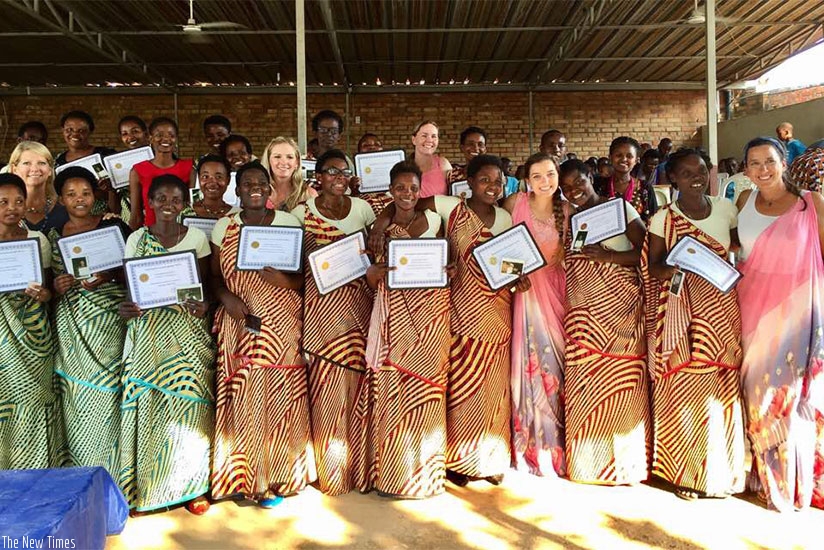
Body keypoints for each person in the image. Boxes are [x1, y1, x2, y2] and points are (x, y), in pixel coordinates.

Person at [371, 154, 527, 487]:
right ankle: (459, 459)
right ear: (468, 182)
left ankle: (492, 458)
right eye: (484, 180)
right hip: (458, 310)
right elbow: (405, 200)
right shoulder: (448, 206)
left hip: (497, 311)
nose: (492, 186)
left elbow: (511, 260)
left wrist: (519, 277)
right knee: (462, 387)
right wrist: (381, 224)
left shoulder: (506, 217)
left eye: (498, 181)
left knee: (493, 388)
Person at [210, 162, 315, 506]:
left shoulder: (289, 223)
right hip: (240, 322)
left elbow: (304, 277)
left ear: (270, 191)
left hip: (282, 324)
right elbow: (213, 278)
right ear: (237, 190)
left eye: (261, 183)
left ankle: (283, 474)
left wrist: (285, 281)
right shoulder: (223, 227)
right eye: (247, 183)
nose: (254, 188)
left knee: (283, 397)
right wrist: (228, 299)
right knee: (245, 396)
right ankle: (246, 477)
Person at [644, 148, 745, 500]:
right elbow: (653, 266)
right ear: (673, 178)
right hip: (681, 314)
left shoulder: (727, 209)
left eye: (700, 171)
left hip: (720, 311)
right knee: (684, 389)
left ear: (710, 172)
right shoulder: (663, 218)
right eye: (685, 173)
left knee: (721, 388)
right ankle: (684, 474)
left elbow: (738, 249)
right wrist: (677, 267)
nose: (694, 178)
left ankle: (723, 474)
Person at [735, 136, 824, 512]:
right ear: (746, 169)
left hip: (799, 313)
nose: (763, 170)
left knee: (791, 392)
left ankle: (794, 479)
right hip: (751, 308)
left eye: (769, 161)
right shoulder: (742, 203)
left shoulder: (811, 203)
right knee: (756, 390)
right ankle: (760, 473)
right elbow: (735, 251)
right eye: (754, 163)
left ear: (784, 161)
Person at [118, 174, 215, 515]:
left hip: (187, 335)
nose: (169, 205)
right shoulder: (137, 239)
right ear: (150, 202)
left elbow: (205, 286)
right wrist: (127, 307)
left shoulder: (197, 239)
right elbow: (132, 292)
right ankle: (148, 490)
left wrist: (205, 305)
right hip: (149, 337)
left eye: (176, 199)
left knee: (190, 409)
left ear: (185, 202)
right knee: (151, 408)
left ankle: (194, 488)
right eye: (161, 198)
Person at [361, 161, 452, 498]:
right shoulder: (377, 227)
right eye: (400, 188)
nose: (407, 194)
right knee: (391, 388)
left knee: (427, 390)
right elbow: (370, 274)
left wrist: (449, 268)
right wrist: (375, 273)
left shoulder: (434, 220)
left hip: (429, 315)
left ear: (420, 190)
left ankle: (426, 474)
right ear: (390, 190)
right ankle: (393, 476)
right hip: (392, 313)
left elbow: (448, 260)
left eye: (413, 188)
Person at [559, 159, 650, 485]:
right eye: (567, 188)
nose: (574, 191)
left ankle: (625, 465)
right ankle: (589, 464)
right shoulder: (571, 219)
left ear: (591, 178)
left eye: (578, 183)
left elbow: (645, 251)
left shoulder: (619, 209)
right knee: (588, 383)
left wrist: (610, 257)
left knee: (622, 381)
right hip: (584, 317)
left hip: (620, 311)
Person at [291, 149, 376, 496]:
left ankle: (359, 469)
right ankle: (331, 472)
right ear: (318, 178)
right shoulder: (300, 213)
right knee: (326, 389)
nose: (339, 177)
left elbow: (378, 250)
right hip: (321, 312)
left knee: (358, 389)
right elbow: (295, 263)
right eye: (332, 172)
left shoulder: (363, 209)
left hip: (358, 308)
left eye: (345, 172)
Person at [49, 167, 131, 473]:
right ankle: (83, 469)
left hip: (109, 325)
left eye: (85, 192)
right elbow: (49, 284)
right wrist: (58, 286)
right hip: (73, 331)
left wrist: (108, 275)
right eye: (71, 194)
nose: (79, 200)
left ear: (94, 194)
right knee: (78, 397)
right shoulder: (54, 236)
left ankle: (116, 472)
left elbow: (132, 273)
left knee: (112, 394)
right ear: (60, 200)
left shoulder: (114, 227)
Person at [502, 153, 567, 477]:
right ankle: (528, 448)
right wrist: (514, 274)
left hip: (557, 300)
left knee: (555, 371)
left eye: (550, 174)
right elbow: (497, 247)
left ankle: (554, 448)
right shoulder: (515, 203)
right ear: (527, 180)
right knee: (527, 369)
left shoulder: (567, 211)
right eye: (538, 176)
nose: (545, 181)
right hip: (525, 298)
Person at [0, 173, 62, 470]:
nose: (12, 207)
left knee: (35, 398)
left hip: (33, 337)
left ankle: (36, 467)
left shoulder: (37, 240)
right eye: (3, 202)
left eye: (18, 201)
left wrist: (43, 295)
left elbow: (50, 292)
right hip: (2, 339)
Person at [128, 117, 195, 229]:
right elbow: (136, 216)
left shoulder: (189, 169)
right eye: (159, 135)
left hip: (181, 234)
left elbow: (192, 209)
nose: (166, 139)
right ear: (150, 139)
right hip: (151, 236)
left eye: (171, 135)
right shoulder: (138, 171)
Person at [7, 141, 69, 233]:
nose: (35, 169)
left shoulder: (65, 206)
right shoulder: (3, 209)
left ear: (50, 170)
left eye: (41, 163)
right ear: (14, 169)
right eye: (27, 163)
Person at [598, 136, 657, 222]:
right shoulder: (599, 186)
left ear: (636, 160)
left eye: (629, 156)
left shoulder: (645, 188)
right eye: (618, 155)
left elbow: (653, 221)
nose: (624, 159)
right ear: (610, 158)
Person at [260, 137, 317, 211]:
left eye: (289, 157)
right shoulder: (257, 191)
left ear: (297, 163)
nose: (283, 162)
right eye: (277, 156)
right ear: (268, 160)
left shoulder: (309, 194)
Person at [184, 155, 238, 220]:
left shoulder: (238, 215)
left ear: (228, 180)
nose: (212, 182)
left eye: (219, 177)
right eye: (205, 176)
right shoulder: (184, 213)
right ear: (199, 178)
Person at [411, 121, 452, 197]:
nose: (429, 140)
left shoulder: (443, 164)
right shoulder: (403, 166)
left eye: (434, 136)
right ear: (414, 140)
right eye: (424, 136)